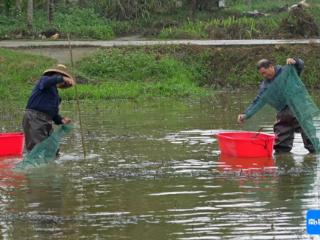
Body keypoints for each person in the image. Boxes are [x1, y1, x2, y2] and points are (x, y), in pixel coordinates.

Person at [237, 58, 315, 153]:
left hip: (300, 109)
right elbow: (257, 102)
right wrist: (246, 115)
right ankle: (283, 163)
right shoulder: (265, 86)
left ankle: (314, 160)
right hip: (283, 114)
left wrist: (295, 61)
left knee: (311, 141)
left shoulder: (287, 71)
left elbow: (300, 65)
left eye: (265, 72)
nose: (264, 76)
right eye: (262, 74)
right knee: (281, 146)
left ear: (271, 67)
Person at [22, 64, 75, 152]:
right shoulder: (44, 80)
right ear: (56, 75)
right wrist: (63, 78)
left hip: (46, 121)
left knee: (53, 149)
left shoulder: (55, 95)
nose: (63, 83)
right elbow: (48, 82)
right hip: (34, 118)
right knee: (38, 148)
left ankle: (52, 165)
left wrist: (61, 120)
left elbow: (53, 113)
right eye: (62, 79)